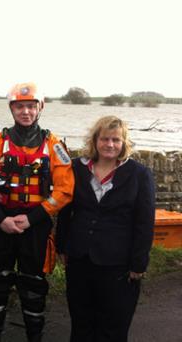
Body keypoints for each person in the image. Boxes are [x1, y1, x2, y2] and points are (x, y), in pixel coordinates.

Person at [0, 82, 74, 342]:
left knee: (33, 285)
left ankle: (35, 335)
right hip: (2, 224)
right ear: (12, 109)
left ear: (40, 108)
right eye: (20, 106)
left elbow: (65, 189)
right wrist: (0, 218)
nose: (26, 112)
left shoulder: (52, 144)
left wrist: (32, 218)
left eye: (31, 106)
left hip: (35, 226)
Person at [55, 115, 155, 342]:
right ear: (95, 140)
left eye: (116, 140)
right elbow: (65, 210)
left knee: (112, 327)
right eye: (105, 139)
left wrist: (139, 264)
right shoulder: (76, 168)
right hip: (79, 259)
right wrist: (62, 246)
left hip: (118, 264)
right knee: (81, 323)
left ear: (123, 143)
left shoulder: (139, 175)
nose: (110, 145)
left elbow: (144, 223)